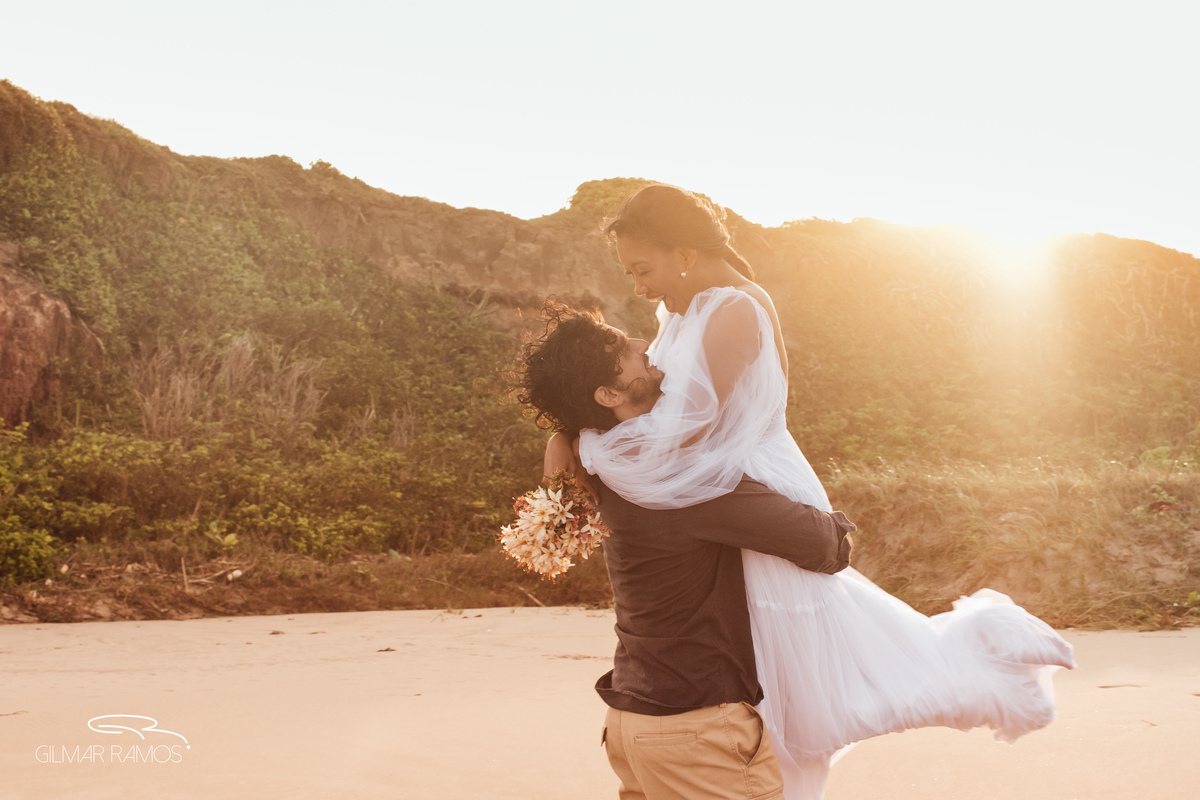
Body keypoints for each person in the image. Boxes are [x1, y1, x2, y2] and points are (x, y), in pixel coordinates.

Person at [546, 184, 1077, 800]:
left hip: (743, 482)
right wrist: (571, 435)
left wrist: (584, 445)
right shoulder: (681, 314)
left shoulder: (733, 310)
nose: (639, 288)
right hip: (708, 484)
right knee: (767, 674)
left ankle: (986, 659)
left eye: (643, 269)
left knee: (792, 670)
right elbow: (644, 409)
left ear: (685, 254)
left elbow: (684, 425)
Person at [514, 301, 857, 800]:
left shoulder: (598, 456)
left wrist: (560, 438)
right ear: (608, 394)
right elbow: (824, 545)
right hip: (696, 731)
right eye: (621, 349)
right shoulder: (671, 479)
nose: (642, 344)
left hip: (632, 721)